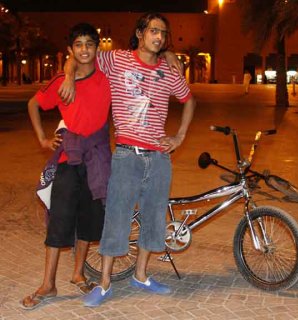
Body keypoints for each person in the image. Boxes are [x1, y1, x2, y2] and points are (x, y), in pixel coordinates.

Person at [62, 12, 196, 307]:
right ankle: (105, 283)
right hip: (126, 155)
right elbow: (81, 57)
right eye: (153, 31)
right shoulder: (116, 60)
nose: (159, 37)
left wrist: (180, 137)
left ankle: (142, 275)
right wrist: (70, 76)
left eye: (163, 33)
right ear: (139, 33)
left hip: (159, 158)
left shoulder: (169, 70)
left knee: (154, 218)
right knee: (116, 218)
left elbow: (188, 100)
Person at [21, 23, 112, 310]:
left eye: (89, 44)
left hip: (97, 159)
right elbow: (33, 104)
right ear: (70, 50)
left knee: (90, 217)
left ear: (97, 48)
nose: (84, 49)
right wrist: (42, 139)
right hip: (68, 158)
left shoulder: (107, 76)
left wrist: (170, 58)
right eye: (79, 45)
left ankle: (78, 272)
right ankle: (48, 284)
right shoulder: (61, 80)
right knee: (59, 219)